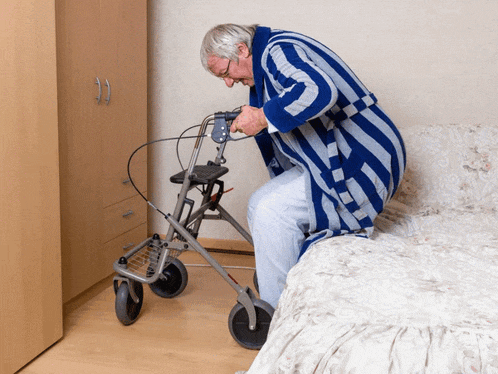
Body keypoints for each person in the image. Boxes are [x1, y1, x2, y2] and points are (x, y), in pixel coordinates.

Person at [200, 24, 406, 309]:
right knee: (262, 203)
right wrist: (262, 117)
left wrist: (261, 117)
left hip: (361, 157)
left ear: (242, 49)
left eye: (225, 72)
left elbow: (319, 90)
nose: (228, 83)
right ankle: (287, 287)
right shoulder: (271, 52)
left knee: (269, 211)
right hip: (345, 153)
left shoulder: (276, 50)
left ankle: (280, 315)